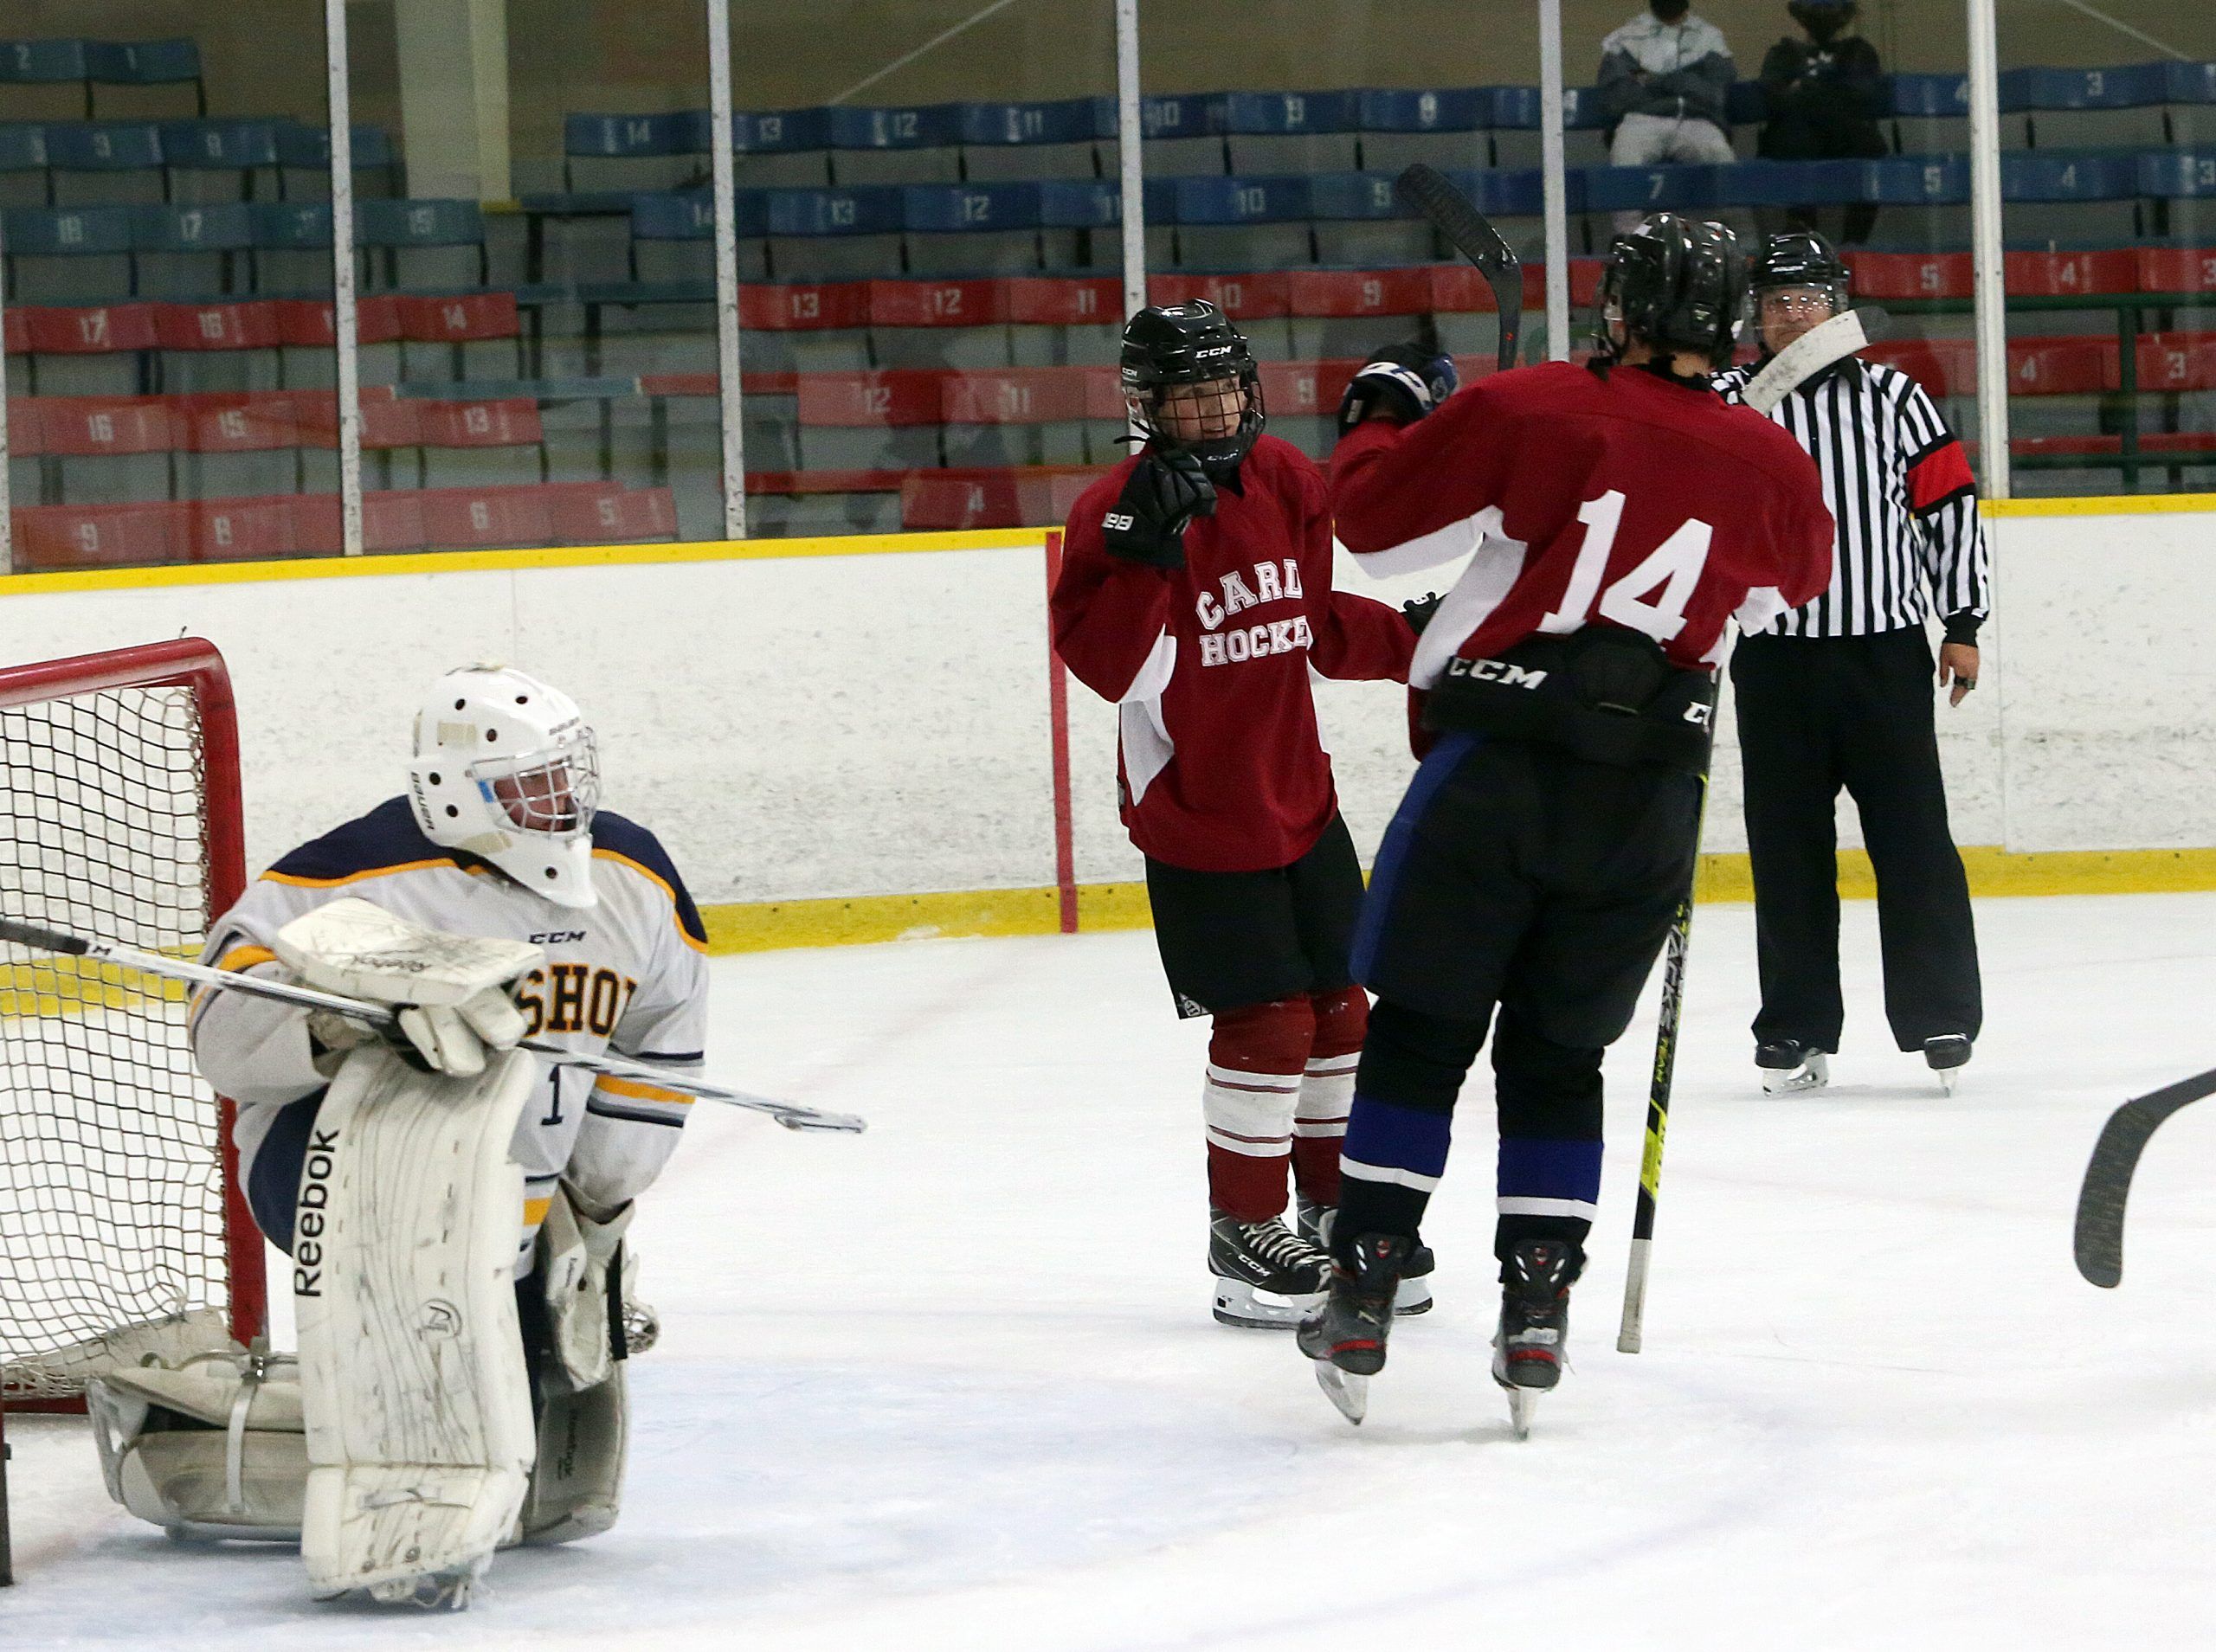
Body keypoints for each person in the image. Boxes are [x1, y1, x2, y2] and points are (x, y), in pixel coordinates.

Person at [1295, 216, 1834, 1424]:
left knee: (1424, 1035)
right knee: (1560, 1058)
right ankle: (1538, 1312)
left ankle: (1367, 1280)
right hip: (1643, 803)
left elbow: (1370, 526)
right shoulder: (1771, 459)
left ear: (1622, 309)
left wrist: (1385, 406)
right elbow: (1790, 582)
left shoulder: (1532, 407)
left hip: (1493, 774)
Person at [183, 663, 709, 1564]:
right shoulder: (335, 879)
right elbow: (219, 1041)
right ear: (455, 793)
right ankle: (382, 1519)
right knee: (417, 1384)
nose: (563, 802)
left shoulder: (634, 876)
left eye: (568, 775)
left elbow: (660, 1042)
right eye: (531, 785)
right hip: (330, 1177)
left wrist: (601, 1214)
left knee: (534, 1453)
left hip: (525, 1205)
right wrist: (336, 1020)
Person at [1053, 300, 1422, 1329]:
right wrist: (1145, 557)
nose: (1214, 411)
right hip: (1197, 804)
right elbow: (1110, 668)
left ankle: (1331, 1201)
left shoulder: (1290, 480)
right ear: (1147, 406)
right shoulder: (1110, 512)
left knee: (1342, 1004)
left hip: (1298, 790)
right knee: (1267, 1019)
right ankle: (1244, 1228)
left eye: (1224, 388)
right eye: (1189, 394)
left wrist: (1422, 641)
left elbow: (1308, 622)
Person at [1713, 232, 1988, 1096]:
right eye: (1776, 302)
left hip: (1880, 654)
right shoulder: (1728, 402)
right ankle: (1793, 1026)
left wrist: (1963, 619)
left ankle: (1939, 1013)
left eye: (1807, 299)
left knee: (1912, 842)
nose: (1793, 315)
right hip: (1771, 658)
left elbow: (1948, 506)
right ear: (1753, 315)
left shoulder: (1893, 396)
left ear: (1837, 304)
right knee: (1785, 848)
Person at [1757, 0, 1890, 243]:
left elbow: (1863, 95)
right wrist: (1827, 89)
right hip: (1798, 135)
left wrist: (1805, 88)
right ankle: (1803, 241)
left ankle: (1854, 245)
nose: (1822, 16)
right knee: (1794, 144)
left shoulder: (1858, 51)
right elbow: (1774, 97)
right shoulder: (1784, 52)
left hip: (1844, 133)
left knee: (1870, 149)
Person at [1599, 0, 1737, 231]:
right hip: (1642, 119)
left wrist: (1653, 80)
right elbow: (1619, 97)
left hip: (1697, 120)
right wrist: (1689, 81)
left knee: (1721, 156)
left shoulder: (1709, 37)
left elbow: (1715, 93)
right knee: (1625, 155)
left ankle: (1739, 241)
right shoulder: (1626, 38)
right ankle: (1628, 242)